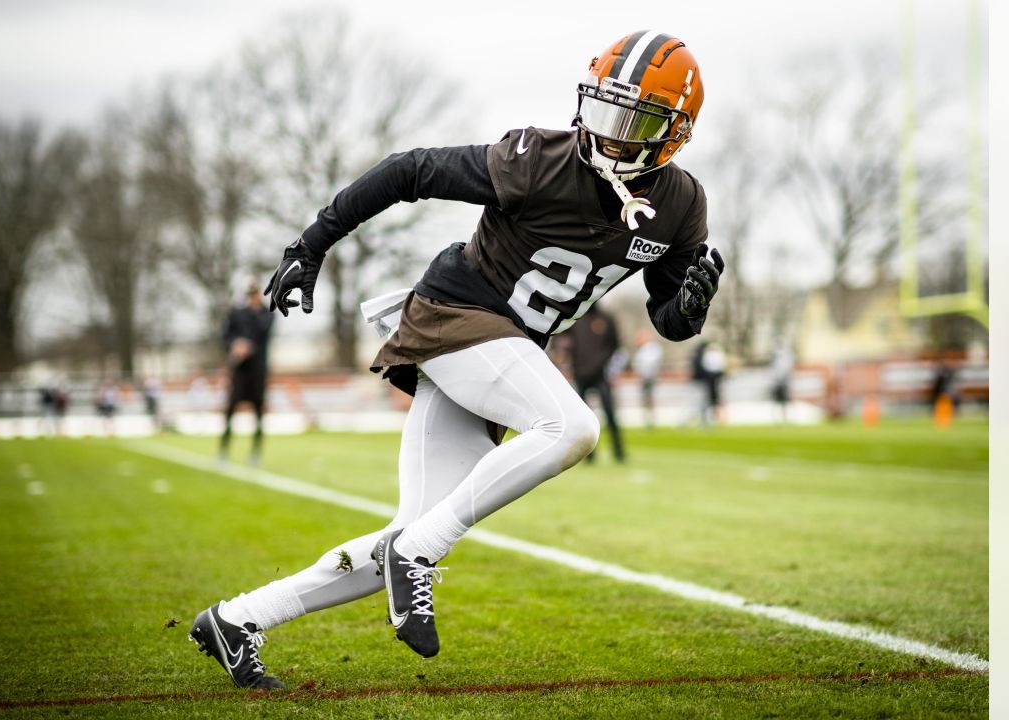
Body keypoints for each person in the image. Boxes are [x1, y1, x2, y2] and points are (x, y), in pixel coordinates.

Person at [189, 31, 724, 689]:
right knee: (573, 428)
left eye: (633, 120)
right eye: (605, 109)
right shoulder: (537, 159)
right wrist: (313, 242)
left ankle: (238, 620)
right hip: (458, 316)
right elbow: (408, 169)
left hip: (504, 349)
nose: (611, 133)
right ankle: (418, 554)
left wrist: (691, 309)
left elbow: (667, 318)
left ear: (675, 132)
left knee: (411, 527)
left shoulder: (681, 204)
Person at [560, 305, 626, 463]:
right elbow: (562, 341)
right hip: (580, 375)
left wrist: (604, 365)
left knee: (610, 414)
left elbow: (615, 345)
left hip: (601, 375)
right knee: (583, 419)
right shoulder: (575, 318)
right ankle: (589, 456)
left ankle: (619, 453)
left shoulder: (606, 318)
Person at [218, 285, 276, 466]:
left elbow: (261, 333)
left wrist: (247, 346)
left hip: (258, 371)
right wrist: (236, 344)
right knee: (231, 409)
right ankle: (223, 452)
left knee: (259, 412)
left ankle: (255, 453)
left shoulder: (267, 315)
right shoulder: (237, 314)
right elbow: (226, 336)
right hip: (240, 371)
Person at [632, 329, 664, 429]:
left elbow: (648, 364)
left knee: (649, 399)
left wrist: (645, 375)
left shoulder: (652, 348)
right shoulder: (643, 349)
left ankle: (651, 420)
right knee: (646, 399)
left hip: (649, 377)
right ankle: (648, 419)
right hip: (644, 378)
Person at [699, 342, 726, 426]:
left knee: (715, 399)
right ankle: (710, 417)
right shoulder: (710, 355)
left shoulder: (716, 355)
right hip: (710, 379)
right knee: (709, 399)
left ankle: (716, 417)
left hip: (715, 378)